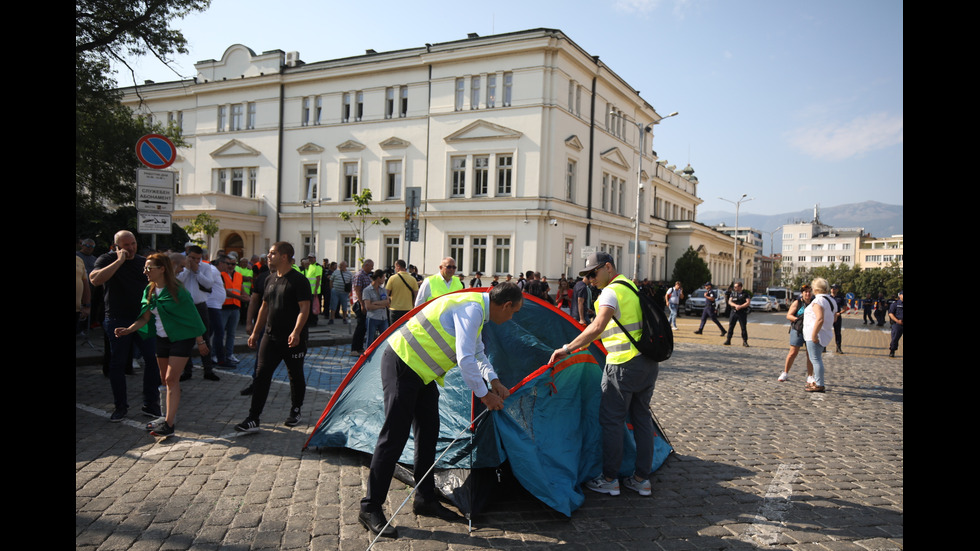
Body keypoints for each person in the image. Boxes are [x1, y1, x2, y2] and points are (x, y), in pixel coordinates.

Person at [358, 283, 520, 539]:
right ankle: (370, 507)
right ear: (506, 305)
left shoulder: (478, 309)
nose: (511, 318)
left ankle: (424, 499)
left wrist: (494, 380)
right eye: (513, 313)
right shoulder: (472, 308)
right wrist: (485, 395)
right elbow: (465, 358)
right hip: (402, 363)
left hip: (421, 374)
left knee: (429, 431)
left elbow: (478, 351)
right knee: (394, 438)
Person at [548, 252, 658, 498]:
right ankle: (641, 479)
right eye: (586, 275)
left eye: (593, 273)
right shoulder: (631, 286)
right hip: (647, 363)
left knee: (611, 422)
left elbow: (597, 326)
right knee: (641, 418)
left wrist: (567, 349)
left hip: (622, 365)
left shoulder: (610, 292)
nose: (589, 279)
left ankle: (609, 479)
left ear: (608, 267)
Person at [113, 254, 209, 438]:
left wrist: (200, 341)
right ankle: (165, 417)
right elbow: (145, 317)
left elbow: (192, 317)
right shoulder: (149, 289)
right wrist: (128, 330)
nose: (145, 272)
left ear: (162, 269)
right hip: (162, 338)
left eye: (149, 268)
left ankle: (169, 423)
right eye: (145, 268)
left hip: (182, 338)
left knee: (172, 378)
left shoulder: (178, 290)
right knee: (164, 380)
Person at [234, 242, 312, 433]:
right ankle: (253, 418)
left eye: (272, 253)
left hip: (293, 338)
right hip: (270, 337)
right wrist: (255, 332)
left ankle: (295, 410)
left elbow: (304, 309)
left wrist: (296, 332)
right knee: (261, 375)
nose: (268, 256)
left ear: (284, 256)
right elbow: (264, 307)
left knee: (295, 375)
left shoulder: (299, 280)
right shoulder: (269, 279)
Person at [90, 231, 163, 422]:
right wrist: (119, 261)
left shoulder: (142, 262)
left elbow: (157, 282)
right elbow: (95, 279)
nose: (130, 248)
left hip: (142, 318)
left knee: (152, 359)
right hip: (117, 319)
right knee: (118, 362)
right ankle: (120, 406)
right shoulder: (107, 259)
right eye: (125, 245)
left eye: (133, 244)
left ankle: (151, 403)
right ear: (116, 247)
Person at [176, 246, 220, 381]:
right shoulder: (181, 266)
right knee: (185, 339)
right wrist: (187, 270)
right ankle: (187, 370)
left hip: (200, 306)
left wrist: (197, 272)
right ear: (187, 255)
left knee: (205, 338)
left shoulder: (206, 267)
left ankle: (208, 370)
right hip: (184, 307)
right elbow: (176, 282)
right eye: (192, 258)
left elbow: (208, 284)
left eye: (198, 259)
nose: (195, 261)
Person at [803, 278, 837, 393]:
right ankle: (818, 382)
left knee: (815, 360)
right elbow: (834, 317)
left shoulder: (818, 301)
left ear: (815, 289)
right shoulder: (831, 300)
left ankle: (819, 383)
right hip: (824, 332)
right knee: (816, 359)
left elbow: (820, 319)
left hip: (816, 333)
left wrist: (814, 334)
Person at [778, 285, 814, 383]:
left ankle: (810, 376)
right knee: (793, 352)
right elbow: (789, 315)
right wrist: (797, 319)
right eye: (805, 292)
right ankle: (785, 372)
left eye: (809, 292)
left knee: (810, 354)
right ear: (802, 293)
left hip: (810, 330)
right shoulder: (797, 302)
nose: (808, 294)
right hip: (797, 329)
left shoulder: (814, 303)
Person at [217, 255, 248, 366]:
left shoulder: (238, 275)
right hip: (224, 307)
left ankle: (229, 354)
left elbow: (241, 289)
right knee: (219, 333)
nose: (231, 266)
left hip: (235, 308)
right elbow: (224, 290)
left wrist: (246, 296)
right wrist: (240, 297)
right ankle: (216, 355)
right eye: (229, 264)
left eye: (233, 264)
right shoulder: (221, 275)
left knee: (231, 333)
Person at [351, 259, 375, 356]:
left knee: (364, 326)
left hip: (366, 302)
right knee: (360, 326)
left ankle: (360, 347)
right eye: (371, 266)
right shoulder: (359, 275)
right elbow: (358, 290)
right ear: (366, 265)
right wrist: (361, 304)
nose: (372, 268)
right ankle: (354, 348)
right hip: (360, 303)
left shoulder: (367, 276)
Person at [362, 269, 390, 346]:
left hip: (383, 318)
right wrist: (381, 306)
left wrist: (375, 303)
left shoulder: (383, 290)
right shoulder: (367, 290)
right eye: (383, 277)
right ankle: (368, 356)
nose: (384, 279)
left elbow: (387, 302)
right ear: (378, 278)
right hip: (372, 318)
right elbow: (368, 306)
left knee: (385, 339)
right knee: (370, 339)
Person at [724, 282, 751, 347]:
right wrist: (736, 306)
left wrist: (740, 306)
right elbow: (730, 301)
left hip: (742, 312)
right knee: (731, 326)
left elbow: (748, 302)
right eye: (734, 287)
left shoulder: (745, 294)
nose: (734, 288)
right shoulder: (733, 293)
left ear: (740, 287)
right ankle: (728, 340)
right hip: (734, 312)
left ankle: (745, 341)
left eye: (736, 287)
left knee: (743, 327)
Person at [888, 290, 903, 358]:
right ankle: (892, 350)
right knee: (895, 338)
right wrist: (897, 321)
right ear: (900, 295)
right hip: (898, 324)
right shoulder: (895, 304)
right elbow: (891, 313)